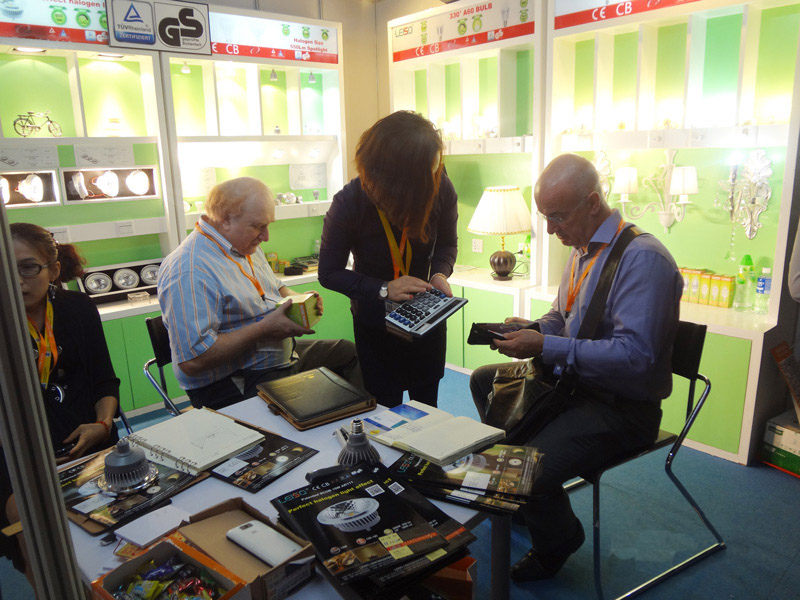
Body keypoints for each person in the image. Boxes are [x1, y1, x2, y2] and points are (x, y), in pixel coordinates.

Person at [469, 154, 682, 581]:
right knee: (482, 380)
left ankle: (559, 536)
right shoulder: (583, 248)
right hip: (573, 388)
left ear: (592, 203)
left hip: (620, 407)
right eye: (546, 217)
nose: (551, 229)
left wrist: (547, 345)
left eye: (558, 217)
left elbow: (636, 356)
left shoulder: (643, 259)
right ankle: (528, 496)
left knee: (526, 470)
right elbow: (562, 317)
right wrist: (533, 329)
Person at [158, 176, 361, 410]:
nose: (266, 236)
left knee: (348, 354)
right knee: (312, 411)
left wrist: (299, 301)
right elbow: (193, 361)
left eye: (268, 225)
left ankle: (361, 422)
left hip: (272, 353)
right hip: (235, 379)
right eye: (258, 226)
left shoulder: (243, 245)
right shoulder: (190, 270)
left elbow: (275, 288)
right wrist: (263, 329)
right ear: (225, 220)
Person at [3, 222, 123, 592]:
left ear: (53, 270)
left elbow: (105, 380)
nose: (16, 280)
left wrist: (102, 425)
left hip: (89, 440)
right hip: (18, 458)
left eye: (28, 267)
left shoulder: (78, 309)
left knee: (111, 533)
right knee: (33, 541)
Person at [318, 111, 458, 408]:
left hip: (426, 316)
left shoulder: (440, 187)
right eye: (425, 173)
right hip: (376, 322)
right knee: (384, 409)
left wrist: (439, 274)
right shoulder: (349, 201)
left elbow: (447, 244)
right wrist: (383, 288)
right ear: (394, 175)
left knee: (428, 406)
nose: (433, 178)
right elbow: (329, 272)